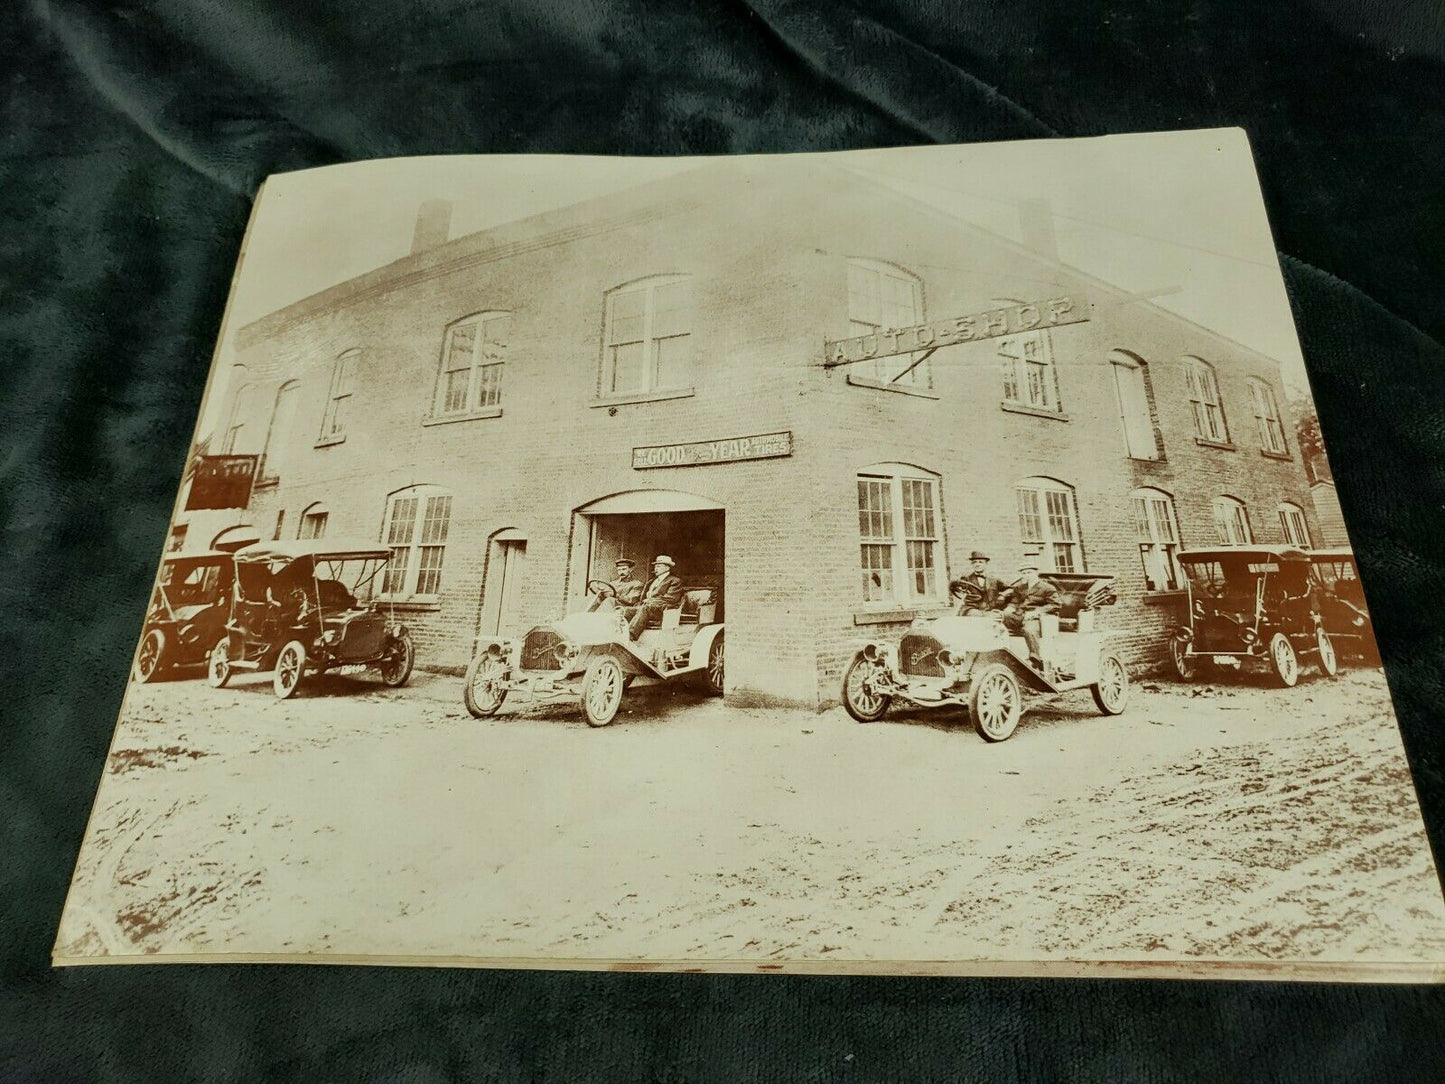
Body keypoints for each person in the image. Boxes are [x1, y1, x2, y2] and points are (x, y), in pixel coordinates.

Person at [1000, 556, 1060, 669]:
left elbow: (1055, 604)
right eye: (1024, 573)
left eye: (1029, 572)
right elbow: (1015, 601)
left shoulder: (1047, 587)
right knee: (1000, 619)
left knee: (1029, 629)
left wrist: (1037, 612)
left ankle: (1035, 657)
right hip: (1020, 615)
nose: (1027, 575)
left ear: (1036, 573)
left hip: (1036, 617)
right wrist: (1010, 608)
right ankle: (1001, 654)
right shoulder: (1020, 588)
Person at [625, 555, 684, 639]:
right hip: (648, 607)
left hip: (664, 609)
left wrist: (650, 601)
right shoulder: (651, 581)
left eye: (659, 566)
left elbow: (670, 598)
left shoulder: (675, 581)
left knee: (645, 608)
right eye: (655, 566)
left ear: (667, 567)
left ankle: (630, 635)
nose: (655, 568)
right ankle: (616, 633)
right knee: (625, 611)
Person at [948, 550, 1009, 615]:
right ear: (972, 564)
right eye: (975, 562)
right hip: (972, 609)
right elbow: (958, 589)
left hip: (991, 610)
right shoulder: (966, 579)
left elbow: (1010, 589)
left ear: (986, 564)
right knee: (976, 615)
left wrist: (1003, 595)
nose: (977, 564)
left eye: (980, 562)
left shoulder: (994, 579)